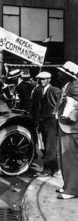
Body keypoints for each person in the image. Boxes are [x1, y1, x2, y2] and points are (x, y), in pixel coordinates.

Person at [30, 71, 61, 177]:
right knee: (46, 144)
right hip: (42, 120)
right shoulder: (39, 90)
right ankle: (55, 169)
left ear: (49, 79)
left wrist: (55, 112)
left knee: (49, 145)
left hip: (51, 120)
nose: (42, 81)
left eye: (44, 79)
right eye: (40, 79)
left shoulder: (55, 90)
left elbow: (61, 102)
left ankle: (47, 170)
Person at [55, 61, 78, 199]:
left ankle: (72, 190)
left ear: (67, 75)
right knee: (65, 159)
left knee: (71, 159)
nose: (58, 74)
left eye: (60, 72)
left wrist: (68, 116)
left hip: (71, 128)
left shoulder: (74, 86)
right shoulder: (68, 86)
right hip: (65, 126)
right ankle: (67, 185)